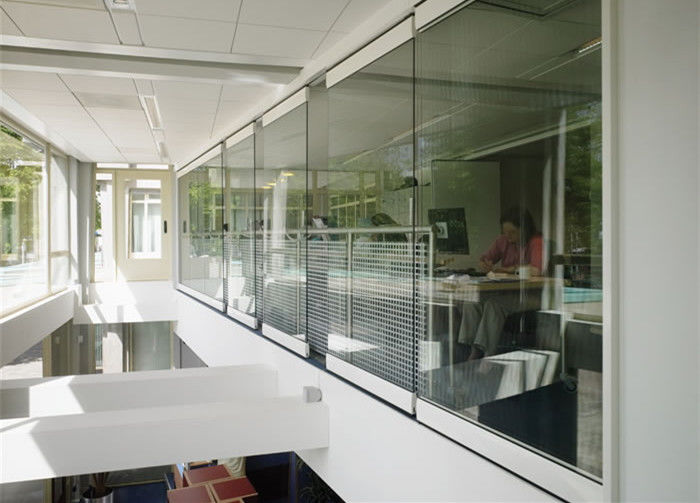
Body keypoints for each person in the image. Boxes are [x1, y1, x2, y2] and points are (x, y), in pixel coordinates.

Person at [458, 206, 544, 359]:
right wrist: (484, 264)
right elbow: (485, 259)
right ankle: (471, 349)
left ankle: (487, 355)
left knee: (494, 305)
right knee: (472, 301)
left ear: (524, 229)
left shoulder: (536, 242)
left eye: (512, 232)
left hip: (530, 295)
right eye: (505, 232)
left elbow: (536, 270)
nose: (508, 236)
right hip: (505, 292)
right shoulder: (503, 241)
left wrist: (509, 269)